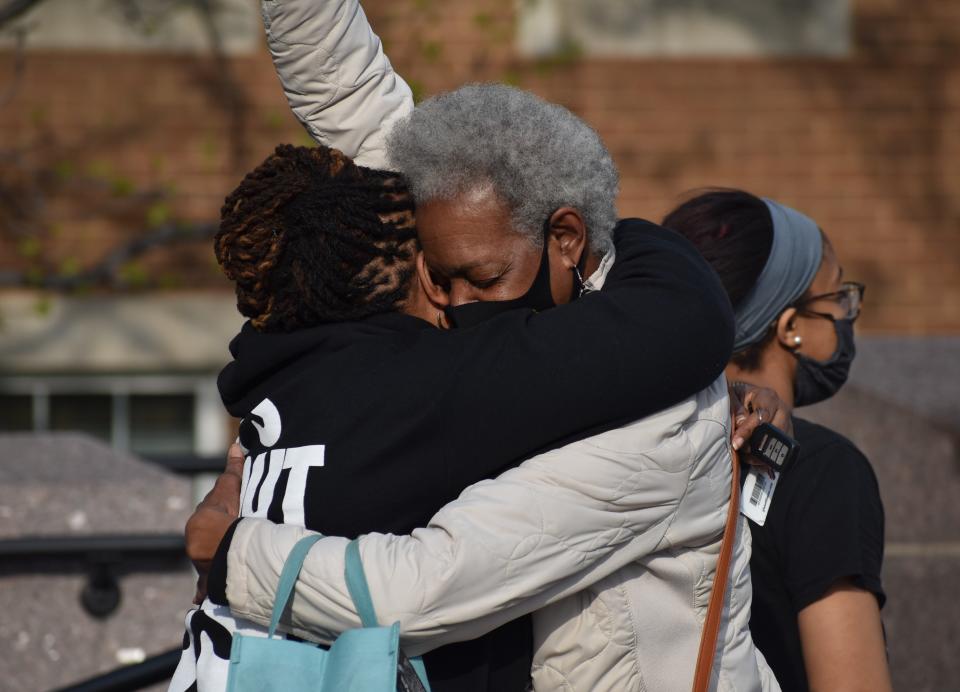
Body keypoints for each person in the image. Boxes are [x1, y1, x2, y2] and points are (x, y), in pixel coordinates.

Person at [170, 140, 775, 692]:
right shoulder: (435, 386)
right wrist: (621, 231)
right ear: (399, 269)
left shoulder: (275, 383)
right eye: (439, 271)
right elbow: (673, 323)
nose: (458, 306)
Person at [663, 190, 892, 692]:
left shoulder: (644, 445)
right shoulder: (822, 471)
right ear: (791, 328)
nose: (847, 315)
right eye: (838, 297)